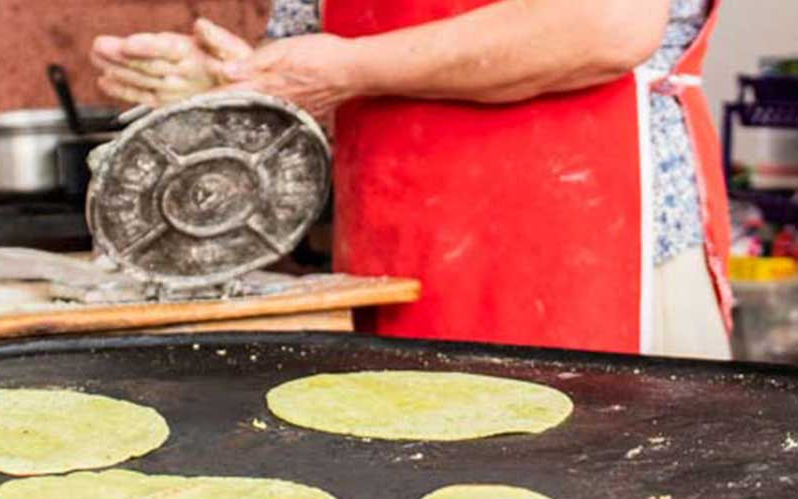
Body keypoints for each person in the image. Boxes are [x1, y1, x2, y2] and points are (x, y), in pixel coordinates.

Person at [92, 0, 733, 360]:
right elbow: (308, 80)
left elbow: (604, 24)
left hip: (598, 252)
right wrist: (228, 86)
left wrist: (349, 69)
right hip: (395, 266)